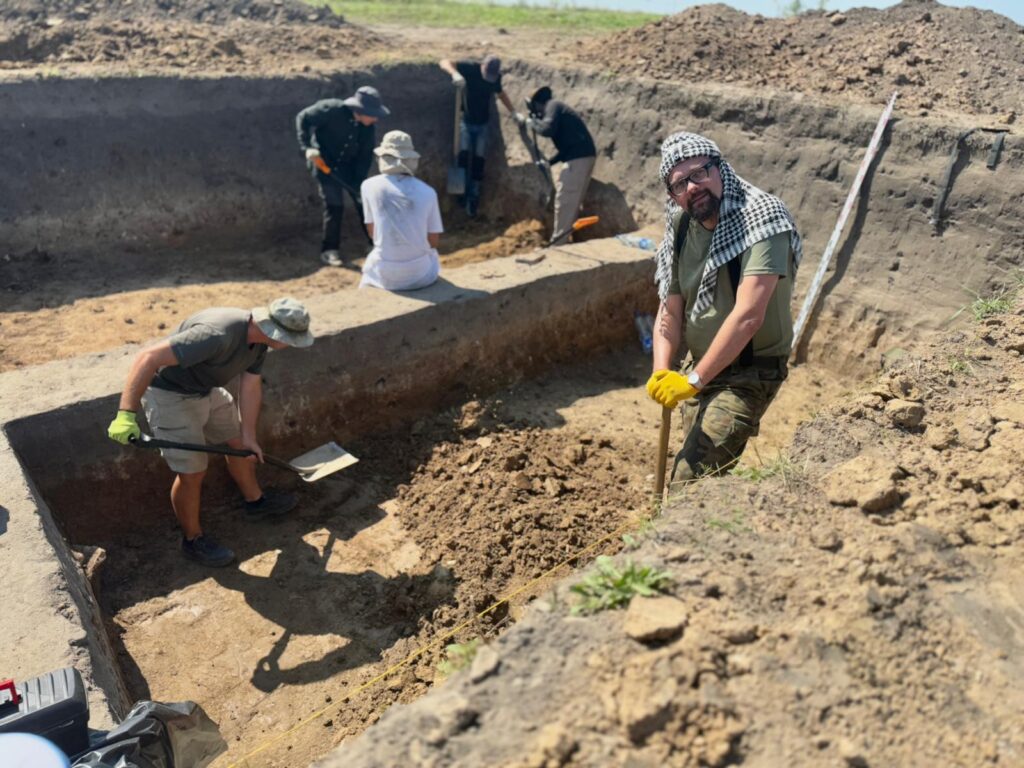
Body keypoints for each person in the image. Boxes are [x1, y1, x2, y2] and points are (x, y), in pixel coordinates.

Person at [106, 298, 315, 567]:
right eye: (291, 339)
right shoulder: (216, 335)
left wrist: (250, 437)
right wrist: (126, 415)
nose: (291, 345)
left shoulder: (260, 342)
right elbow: (148, 357)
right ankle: (192, 540)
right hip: (170, 395)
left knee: (239, 444)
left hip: (206, 390)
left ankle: (255, 502)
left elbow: (250, 387)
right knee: (192, 472)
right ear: (273, 330)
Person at [646, 132, 803, 486]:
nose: (691, 187)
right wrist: (662, 371)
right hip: (699, 367)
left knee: (689, 480)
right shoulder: (682, 224)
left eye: (699, 173)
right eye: (679, 183)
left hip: (749, 371)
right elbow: (669, 309)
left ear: (719, 169)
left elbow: (748, 316)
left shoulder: (760, 217)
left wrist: (694, 381)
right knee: (695, 464)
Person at [296, 85, 391, 267]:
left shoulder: (368, 128)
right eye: (372, 114)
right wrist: (307, 147)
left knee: (363, 203)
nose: (375, 118)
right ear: (360, 111)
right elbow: (303, 118)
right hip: (323, 164)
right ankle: (329, 250)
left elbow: (364, 158)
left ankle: (375, 245)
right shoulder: (331, 110)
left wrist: (358, 184)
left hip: (349, 167)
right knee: (335, 206)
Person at [439, 55, 525, 216]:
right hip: (465, 121)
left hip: (483, 124)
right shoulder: (470, 68)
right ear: (483, 66)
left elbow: (501, 94)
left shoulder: (494, 78)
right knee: (462, 157)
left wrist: (513, 112)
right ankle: (460, 194)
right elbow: (444, 61)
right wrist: (454, 74)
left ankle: (473, 197)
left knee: (479, 160)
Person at [358, 130, 443, 291]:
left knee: (371, 261)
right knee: (432, 256)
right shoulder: (428, 191)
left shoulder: (368, 186)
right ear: (411, 159)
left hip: (384, 274)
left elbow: (372, 231)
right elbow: (433, 241)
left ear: (383, 158)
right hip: (421, 276)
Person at [524, 86, 597, 243]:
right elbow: (568, 147)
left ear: (537, 104)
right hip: (581, 157)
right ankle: (564, 239)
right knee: (570, 204)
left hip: (578, 160)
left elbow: (547, 129)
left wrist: (532, 122)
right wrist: (551, 162)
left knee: (565, 201)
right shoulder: (557, 109)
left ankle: (558, 244)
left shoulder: (553, 106)